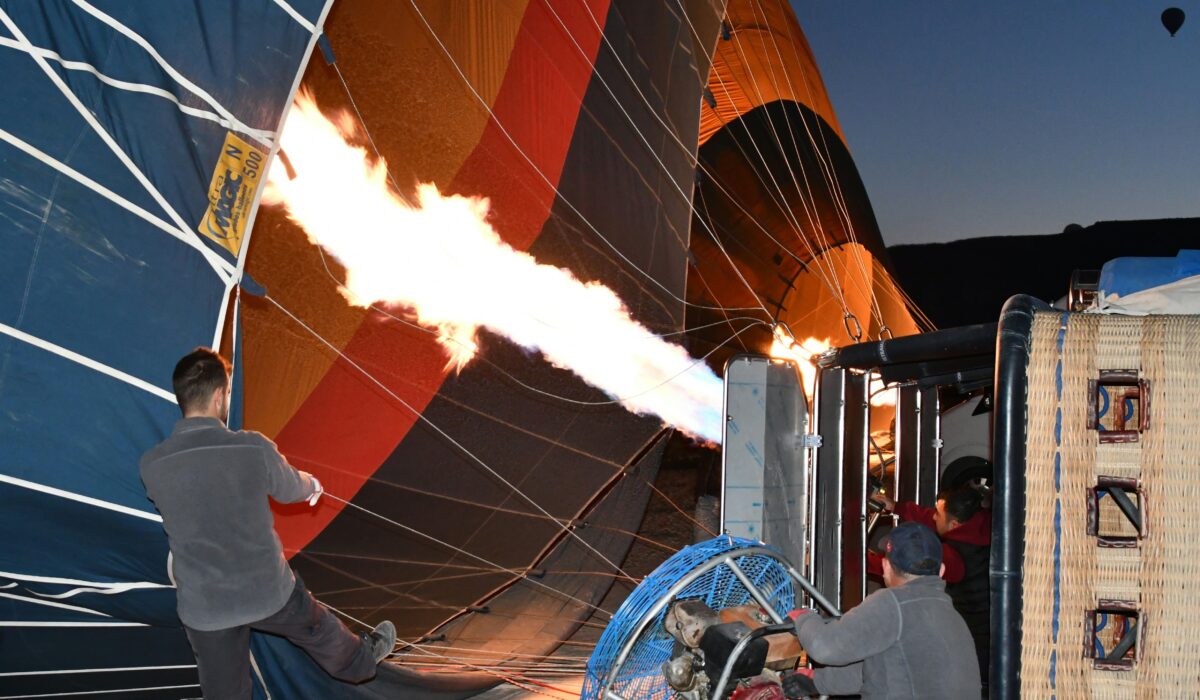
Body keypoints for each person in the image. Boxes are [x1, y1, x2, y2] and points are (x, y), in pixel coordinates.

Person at [141, 348, 395, 699]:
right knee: (319, 628)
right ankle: (362, 661)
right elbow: (292, 490)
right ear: (219, 396)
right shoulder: (252, 447)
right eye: (228, 393)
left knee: (225, 693)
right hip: (266, 592)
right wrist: (312, 484)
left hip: (205, 607)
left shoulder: (152, 465)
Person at [782, 522, 980, 699]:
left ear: (885, 567)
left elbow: (824, 647)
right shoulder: (950, 613)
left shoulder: (893, 603)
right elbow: (877, 671)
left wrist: (804, 618)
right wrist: (815, 681)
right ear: (941, 570)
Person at [870, 484, 991, 687]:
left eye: (938, 514)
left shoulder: (955, 557)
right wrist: (897, 507)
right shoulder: (983, 524)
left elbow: (907, 567)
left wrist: (862, 559)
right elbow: (937, 520)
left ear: (954, 525)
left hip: (976, 642)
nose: (933, 517)